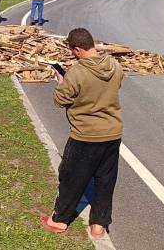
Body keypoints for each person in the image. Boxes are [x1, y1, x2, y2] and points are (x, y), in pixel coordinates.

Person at [40, 28, 124, 240]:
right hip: (112, 133)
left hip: (85, 136)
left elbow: (61, 101)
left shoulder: (77, 72)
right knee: (105, 181)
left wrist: (61, 83)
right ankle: (99, 226)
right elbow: (113, 87)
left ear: (77, 49)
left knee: (71, 178)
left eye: (72, 50)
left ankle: (58, 221)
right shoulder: (114, 65)